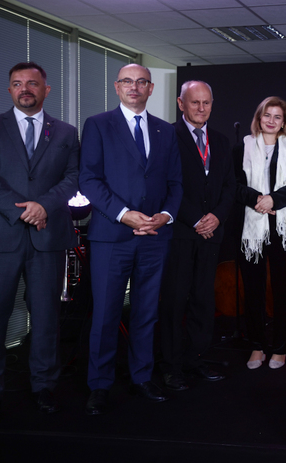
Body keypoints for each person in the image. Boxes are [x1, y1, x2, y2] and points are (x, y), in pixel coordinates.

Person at [0, 62, 79, 424]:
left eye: (32, 83)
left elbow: (74, 177)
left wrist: (43, 205)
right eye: (17, 83)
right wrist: (23, 211)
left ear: (47, 89)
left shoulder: (65, 132)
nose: (25, 88)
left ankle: (44, 388)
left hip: (48, 237)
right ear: (10, 90)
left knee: (46, 318)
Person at [79, 64, 183, 414]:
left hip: (155, 236)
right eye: (127, 81)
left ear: (151, 89)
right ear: (116, 87)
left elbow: (175, 183)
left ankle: (142, 377)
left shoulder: (165, 131)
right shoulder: (97, 124)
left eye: (141, 82)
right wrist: (125, 215)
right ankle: (99, 384)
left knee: (145, 313)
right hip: (112, 236)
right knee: (106, 314)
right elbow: (89, 180)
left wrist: (165, 216)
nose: (134, 87)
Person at [159, 81, 234, 391]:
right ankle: (170, 366)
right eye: (194, 103)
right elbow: (165, 185)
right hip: (180, 233)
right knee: (175, 301)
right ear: (181, 104)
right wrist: (195, 219)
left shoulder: (220, 140)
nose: (201, 108)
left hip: (211, 234)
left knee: (203, 300)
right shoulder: (166, 138)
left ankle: (194, 358)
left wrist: (216, 217)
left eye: (206, 103)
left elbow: (230, 186)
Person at [236, 97, 286, 371]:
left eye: (278, 116)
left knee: (282, 291)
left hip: (281, 226)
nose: (272, 120)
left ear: (284, 122)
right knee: (253, 290)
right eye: (268, 115)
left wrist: (274, 200)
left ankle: (281, 347)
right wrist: (258, 200)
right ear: (259, 117)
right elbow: (235, 185)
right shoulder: (243, 146)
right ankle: (256, 345)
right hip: (252, 227)